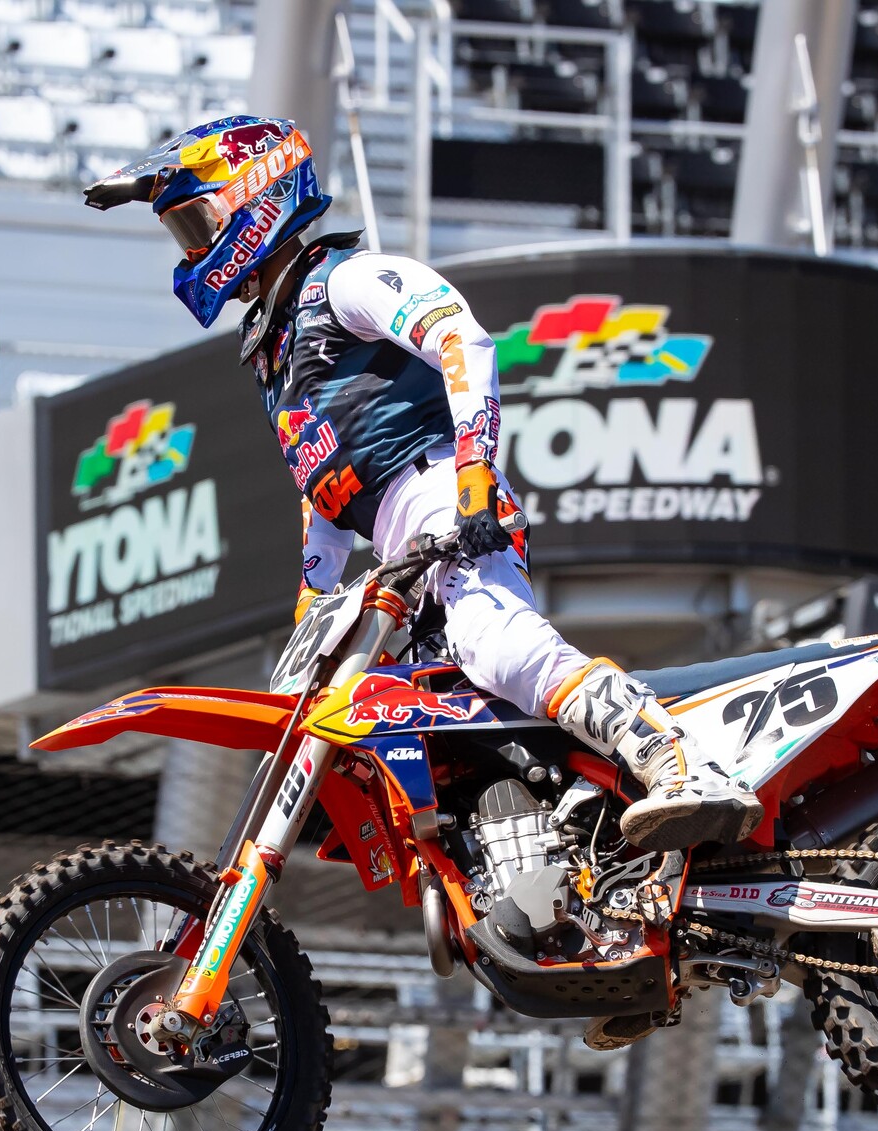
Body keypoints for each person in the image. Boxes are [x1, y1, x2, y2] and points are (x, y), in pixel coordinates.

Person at [85, 115, 759, 852]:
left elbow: (460, 338)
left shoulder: (345, 280)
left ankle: (683, 763)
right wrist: (314, 601)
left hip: (442, 495)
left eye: (195, 221)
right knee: (415, 728)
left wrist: (475, 469)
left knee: (497, 645)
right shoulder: (274, 349)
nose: (192, 246)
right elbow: (323, 487)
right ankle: (565, 837)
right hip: (398, 553)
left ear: (256, 196)